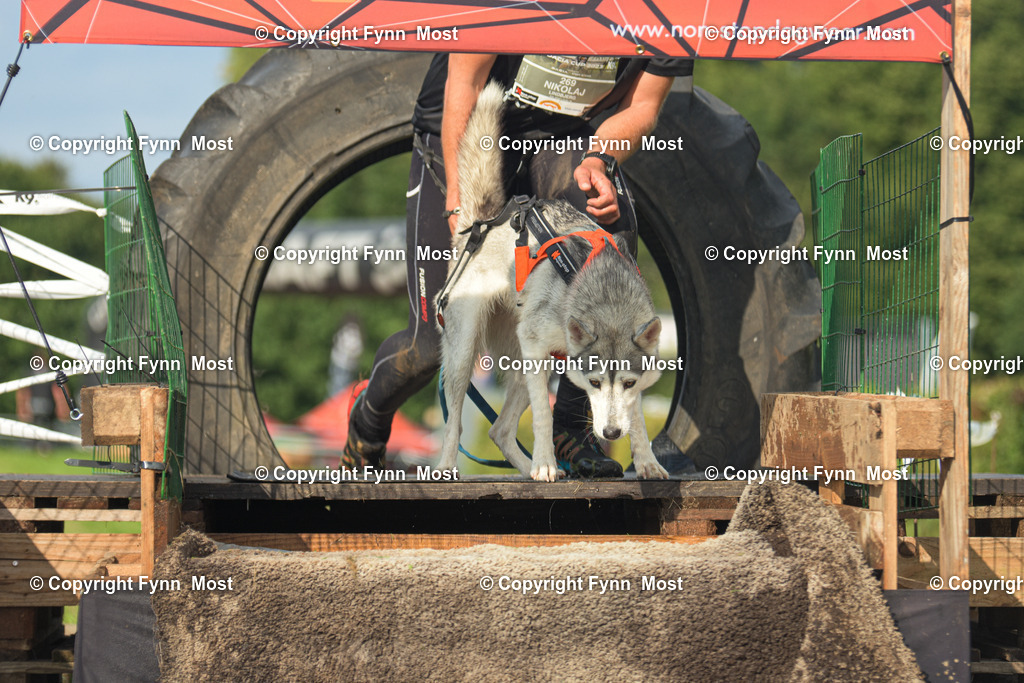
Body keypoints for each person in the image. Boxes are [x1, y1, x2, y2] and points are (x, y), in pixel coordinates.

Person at [344, 53, 694, 477]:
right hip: (466, 122)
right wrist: (456, 193)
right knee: (426, 347)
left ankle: (571, 428)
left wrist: (599, 159)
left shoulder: (668, 23)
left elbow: (643, 106)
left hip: (563, 134)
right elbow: (466, 83)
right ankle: (367, 424)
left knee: (609, 236)